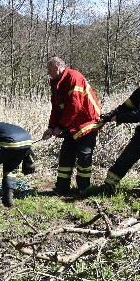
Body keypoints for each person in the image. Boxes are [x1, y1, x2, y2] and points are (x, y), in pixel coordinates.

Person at [43, 56, 103, 197]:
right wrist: (51, 127)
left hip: (87, 122)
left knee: (84, 155)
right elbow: (56, 108)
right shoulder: (55, 82)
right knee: (65, 156)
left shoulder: (74, 77)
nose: (48, 73)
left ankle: (83, 188)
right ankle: (62, 188)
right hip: (71, 124)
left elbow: (74, 107)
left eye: (49, 70)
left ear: (57, 68)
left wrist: (61, 126)